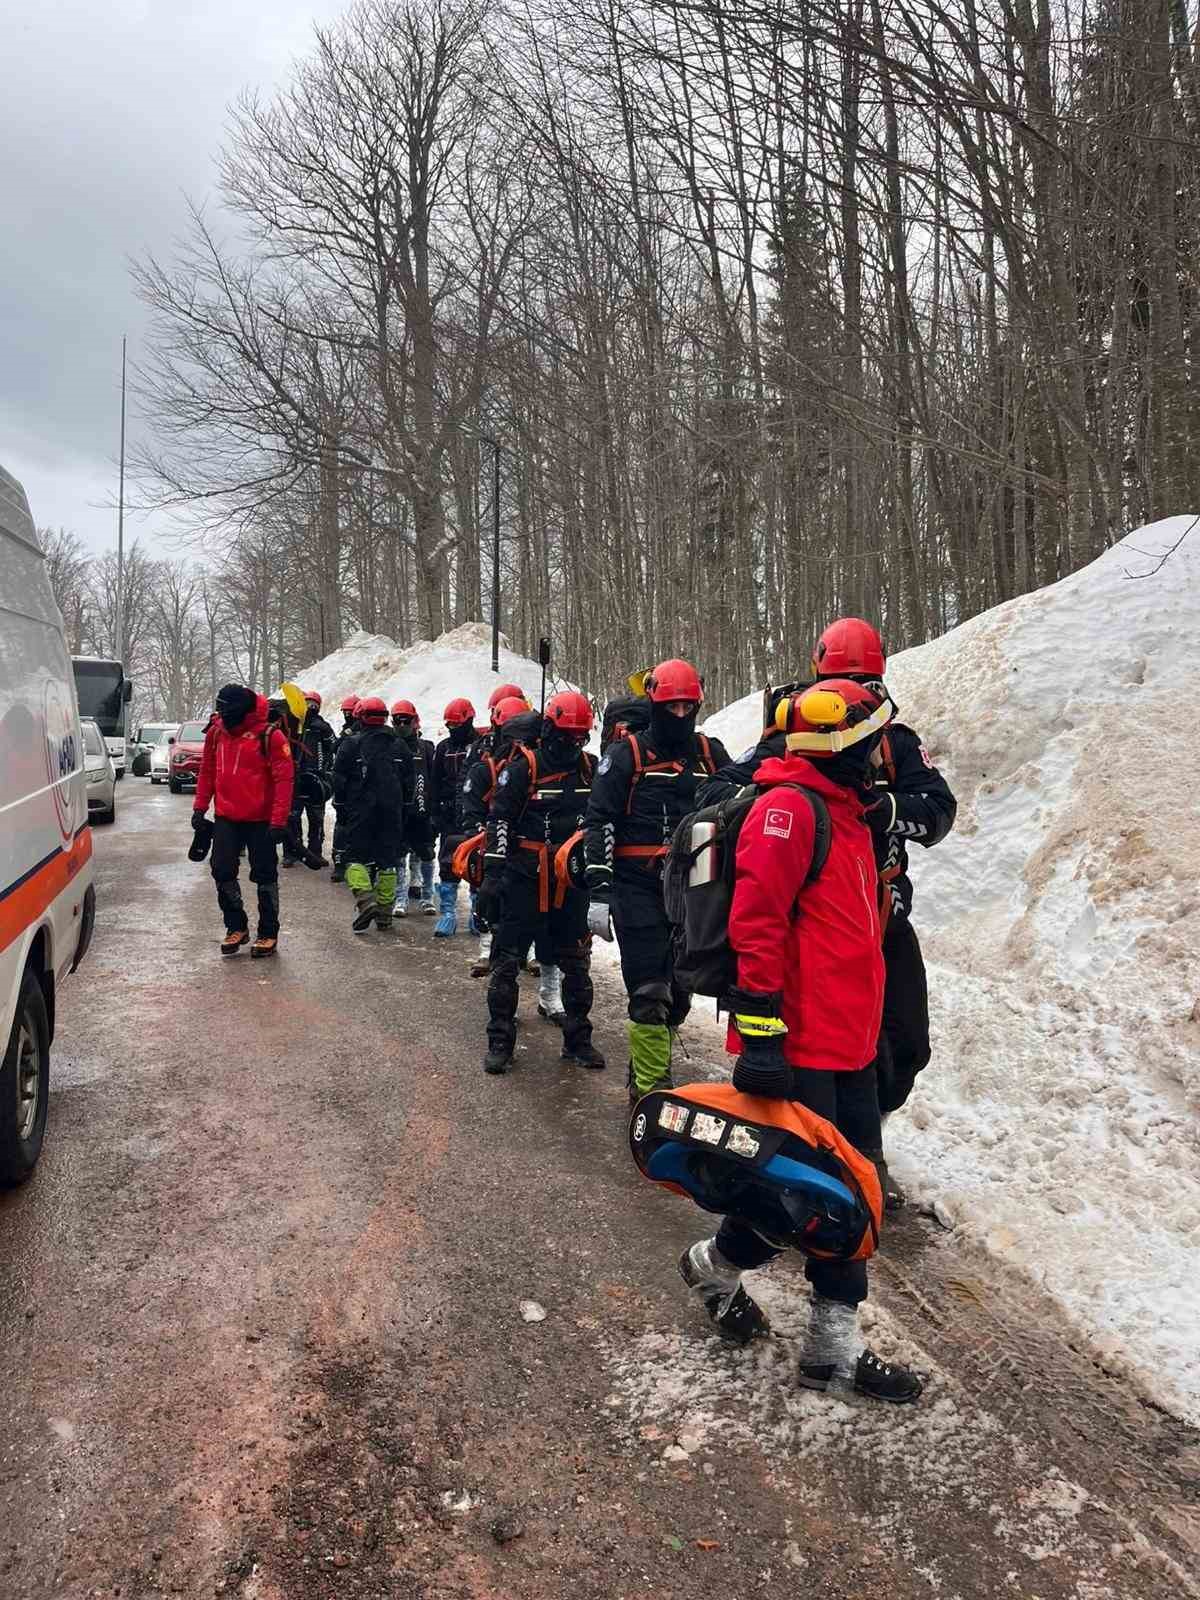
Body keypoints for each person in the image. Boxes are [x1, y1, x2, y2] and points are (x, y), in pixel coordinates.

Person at [678, 679, 923, 1403]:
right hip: (801, 1045)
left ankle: (713, 1265)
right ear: (844, 748)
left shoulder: (849, 816)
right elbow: (756, 926)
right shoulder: (788, 810)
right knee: (839, 1197)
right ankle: (831, 1353)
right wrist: (761, 1038)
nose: (884, 751)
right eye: (873, 739)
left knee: (803, 1195)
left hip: (848, 1043)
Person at [700, 618, 957, 1206]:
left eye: (862, 681)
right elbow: (724, 790)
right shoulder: (793, 733)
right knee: (810, 1051)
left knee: (904, 1042)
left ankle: (863, 1139)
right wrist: (785, 802)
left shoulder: (890, 739)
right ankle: (815, 1165)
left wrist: (879, 807)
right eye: (840, 680)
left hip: (881, 914)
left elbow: (938, 810)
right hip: (811, 919)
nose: (849, 696)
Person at [583, 659, 728, 1101]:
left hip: (694, 894)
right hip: (637, 889)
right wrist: (601, 890)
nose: (680, 715)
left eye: (688, 707)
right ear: (655, 703)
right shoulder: (624, 756)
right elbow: (600, 821)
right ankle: (650, 1091)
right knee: (649, 991)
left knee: (681, 992)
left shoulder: (711, 754)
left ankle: (646, 1060)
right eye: (672, 706)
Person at [477, 691, 604, 1075]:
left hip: (571, 882)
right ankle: (500, 1040)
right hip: (523, 879)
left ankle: (578, 1040)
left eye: (580, 737)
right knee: (506, 963)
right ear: (549, 728)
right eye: (567, 736)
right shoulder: (522, 769)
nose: (573, 744)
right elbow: (499, 820)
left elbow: (600, 822)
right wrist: (493, 879)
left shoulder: (590, 768)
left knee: (577, 964)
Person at [191, 683, 294, 958]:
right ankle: (236, 926)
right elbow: (207, 771)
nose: (221, 715)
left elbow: (284, 780)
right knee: (221, 869)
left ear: (240, 710)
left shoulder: (271, 736)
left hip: (261, 820)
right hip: (226, 816)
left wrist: (278, 820)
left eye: (225, 710)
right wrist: (200, 808)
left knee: (265, 875)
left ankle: (268, 932)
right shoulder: (216, 733)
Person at [331, 695, 414, 933]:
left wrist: (341, 808)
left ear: (360, 717)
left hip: (361, 811)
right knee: (387, 861)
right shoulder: (400, 745)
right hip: (392, 812)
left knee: (353, 859)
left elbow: (339, 780)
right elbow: (410, 783)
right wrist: (404, 811)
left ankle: (366, 900)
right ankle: (385, 915)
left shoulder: (351, 744)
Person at [430, 697, 479, 936]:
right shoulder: (444, 748)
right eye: (449, 726)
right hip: (449, 814)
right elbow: (434, 782)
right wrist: (434, 812)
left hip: (474, 814)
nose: (452, 730)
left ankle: (476, 913)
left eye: (456, 726)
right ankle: (448, 912)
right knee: (448, 862)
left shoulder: (481, 746)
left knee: (476, 864)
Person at [391, 700, 437, 915]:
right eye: (397, 721)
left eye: (405, 720)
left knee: (426, 852)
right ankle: (400, 898)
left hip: (421, 811)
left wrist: (434, 809)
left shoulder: (426, 748)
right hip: (398, 812)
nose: (401, 725)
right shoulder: (390, 746)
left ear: (414, 721)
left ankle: (427, 896)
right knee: (398, 855)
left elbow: (434, 778)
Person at [282, 689, 334, 868]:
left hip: (315, 779)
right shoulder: (292, 724)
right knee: (292, 817)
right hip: (295, 778)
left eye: (314, 704)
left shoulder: (323, 727)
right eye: (307, 703)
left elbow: (333, 748)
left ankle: (315, 852)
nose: (311, 707)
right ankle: (291, 852)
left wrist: (326, 771)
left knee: (316, 818)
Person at [329, 694, 361, 883]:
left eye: (350, 712)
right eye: (345, 712)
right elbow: (335, 748)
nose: (347, 715)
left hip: (359, 785)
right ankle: (341, 862)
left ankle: (353, 862)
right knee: (342, 824)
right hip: (346, 783)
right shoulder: (347, 732)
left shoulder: (362, 732)